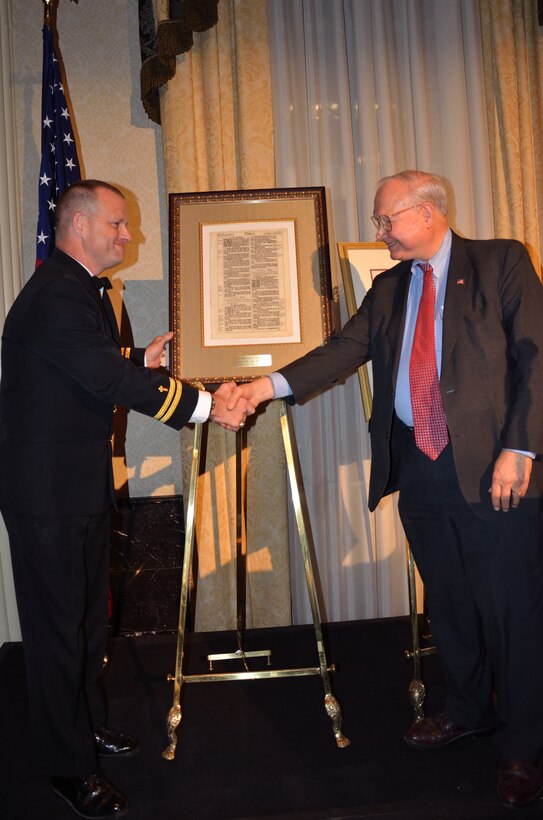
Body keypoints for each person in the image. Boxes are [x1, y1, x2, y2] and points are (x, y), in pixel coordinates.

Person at [227, 170, 543, 810]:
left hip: (495, 471)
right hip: (421, 468)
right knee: (450, 602)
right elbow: (343, 350)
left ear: (425, 213)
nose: (379, 231)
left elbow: (538, 353)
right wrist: (260, 388)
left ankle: (523, 745)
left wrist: (520, 446)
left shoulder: (501, 261)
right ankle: (467, 709)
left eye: (385, 218)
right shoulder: (390, 286)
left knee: (512, 610)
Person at [0, 180, 251, 819]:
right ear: (79, 226)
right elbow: (104, 377)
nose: (126, 235)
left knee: (85, 629)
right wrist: (200, 404)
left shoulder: (71, 291)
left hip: (72, 488)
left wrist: (139, 356)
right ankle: (66, 768)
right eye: (115, 224)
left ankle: (81, 733)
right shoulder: (59, 294)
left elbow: (83, 366)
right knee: (60, 635)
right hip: (47, 499)